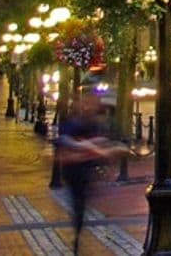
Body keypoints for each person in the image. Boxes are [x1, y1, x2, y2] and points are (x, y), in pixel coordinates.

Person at [56, 91, 123, 254]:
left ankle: (78, 228)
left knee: (81, 201)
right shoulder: (72, 123)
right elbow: (65, 147)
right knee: (78, 201)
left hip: (86, 171)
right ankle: (78, 231)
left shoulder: (94, 123)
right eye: (85, 102)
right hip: (74, 172)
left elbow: (102, 142)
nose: (88, 105)